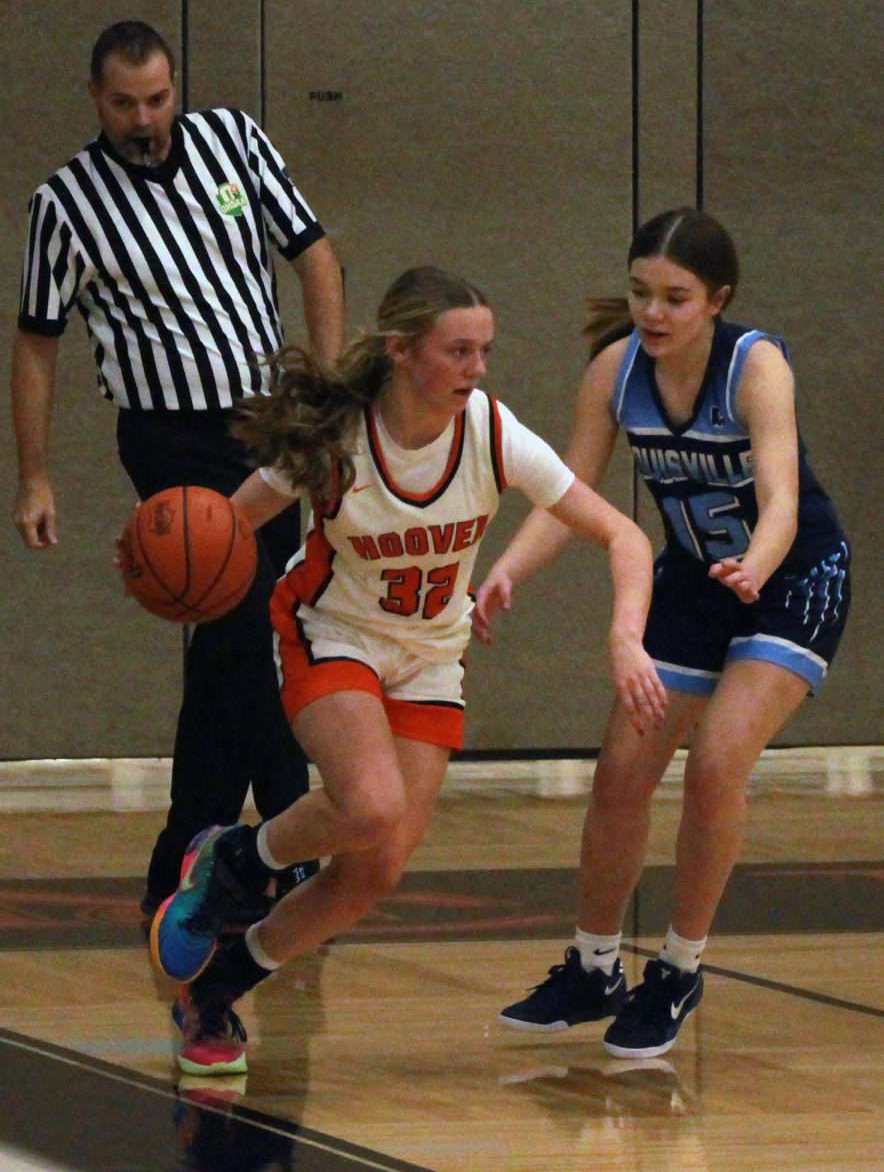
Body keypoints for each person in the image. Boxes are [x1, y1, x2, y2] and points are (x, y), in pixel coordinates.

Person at [148, 265, 668, 1074]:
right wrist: (178, 562)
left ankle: (215, 986)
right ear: (401, 352)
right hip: (333, 634)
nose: (477, 369)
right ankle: (236, 860)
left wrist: (625, 637)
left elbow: (626, 538)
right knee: (369, 805)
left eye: (485, 350)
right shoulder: (337, 440)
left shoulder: (493, 434)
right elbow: (229, 523)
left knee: (374, 870)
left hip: (430, 657)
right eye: (459, 351)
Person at [475, 207, 850, 1059]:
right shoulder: (614, 370)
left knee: (718, 759)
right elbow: (569, 494)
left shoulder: (756, 366)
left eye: (675, 297)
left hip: (791, 575)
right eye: (641, 291)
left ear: (718, 300)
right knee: (620, 772)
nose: (653, 312)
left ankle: (678, 970)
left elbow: (784, 498)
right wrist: (506, 570)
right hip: (695, 579)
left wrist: (756, 562)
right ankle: (593, 966)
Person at [10, 21, 345, 921]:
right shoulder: (65, 204)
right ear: (96, 100)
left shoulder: (234, 141)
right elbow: (36, 345)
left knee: (269, 626)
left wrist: (327, 387)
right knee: (240, 622)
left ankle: (267, 843)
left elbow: (314, 253)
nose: (145, 118)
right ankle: (202, 853)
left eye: (158, 98)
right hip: (169, 438)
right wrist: (34, 476)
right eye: (125, 104)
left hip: (270, 419)